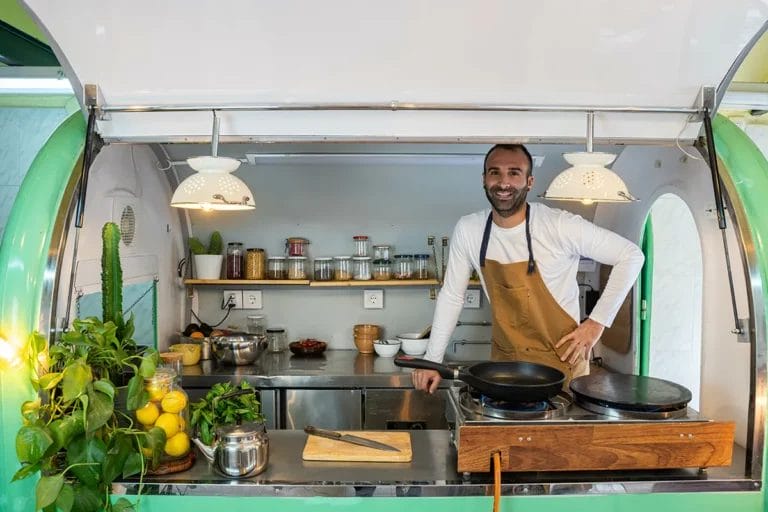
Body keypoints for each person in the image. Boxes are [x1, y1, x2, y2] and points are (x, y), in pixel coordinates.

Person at [412, 144, 644, 394]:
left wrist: (596, 324)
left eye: (514, 173)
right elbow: (452, 296)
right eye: (495, 173)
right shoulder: (469, 229)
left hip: (562, 364)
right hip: (505, 367)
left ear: (529, 181)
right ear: (484, 179)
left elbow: (631, 255)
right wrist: (432, 361)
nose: (503, 183)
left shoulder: (558, 225)